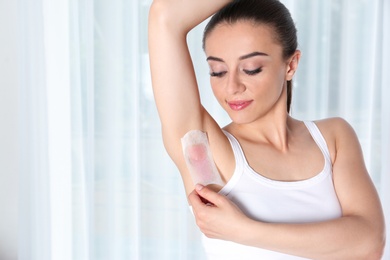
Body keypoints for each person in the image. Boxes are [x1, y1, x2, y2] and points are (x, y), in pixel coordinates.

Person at [148, 0, 386, 259]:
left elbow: (370, 242)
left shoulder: (333, 138)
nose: (232, 87)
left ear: (291, 65)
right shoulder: (206, 150)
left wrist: (244, 230)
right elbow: (165, 17)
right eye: (217, 72)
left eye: (251, 69)